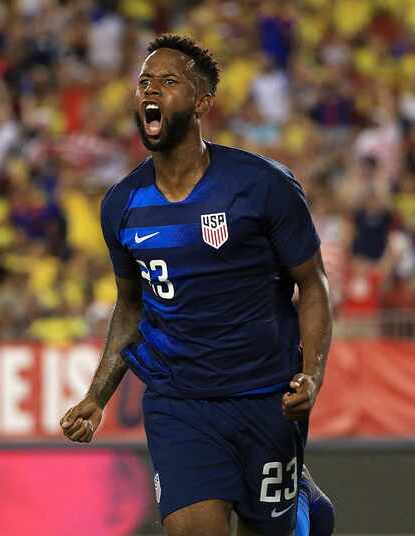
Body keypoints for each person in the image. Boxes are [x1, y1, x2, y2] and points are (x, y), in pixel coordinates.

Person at [61, 34, 334, 536]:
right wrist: (97, 397)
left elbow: (312, 286)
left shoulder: (262, 185)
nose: (151, 91)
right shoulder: (122, 204)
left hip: (265, 397)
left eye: (169, 82)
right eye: (145, 82)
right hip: (179, 400)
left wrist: (312, 375)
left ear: (202, 101)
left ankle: (301, 505)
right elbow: (131, 305)